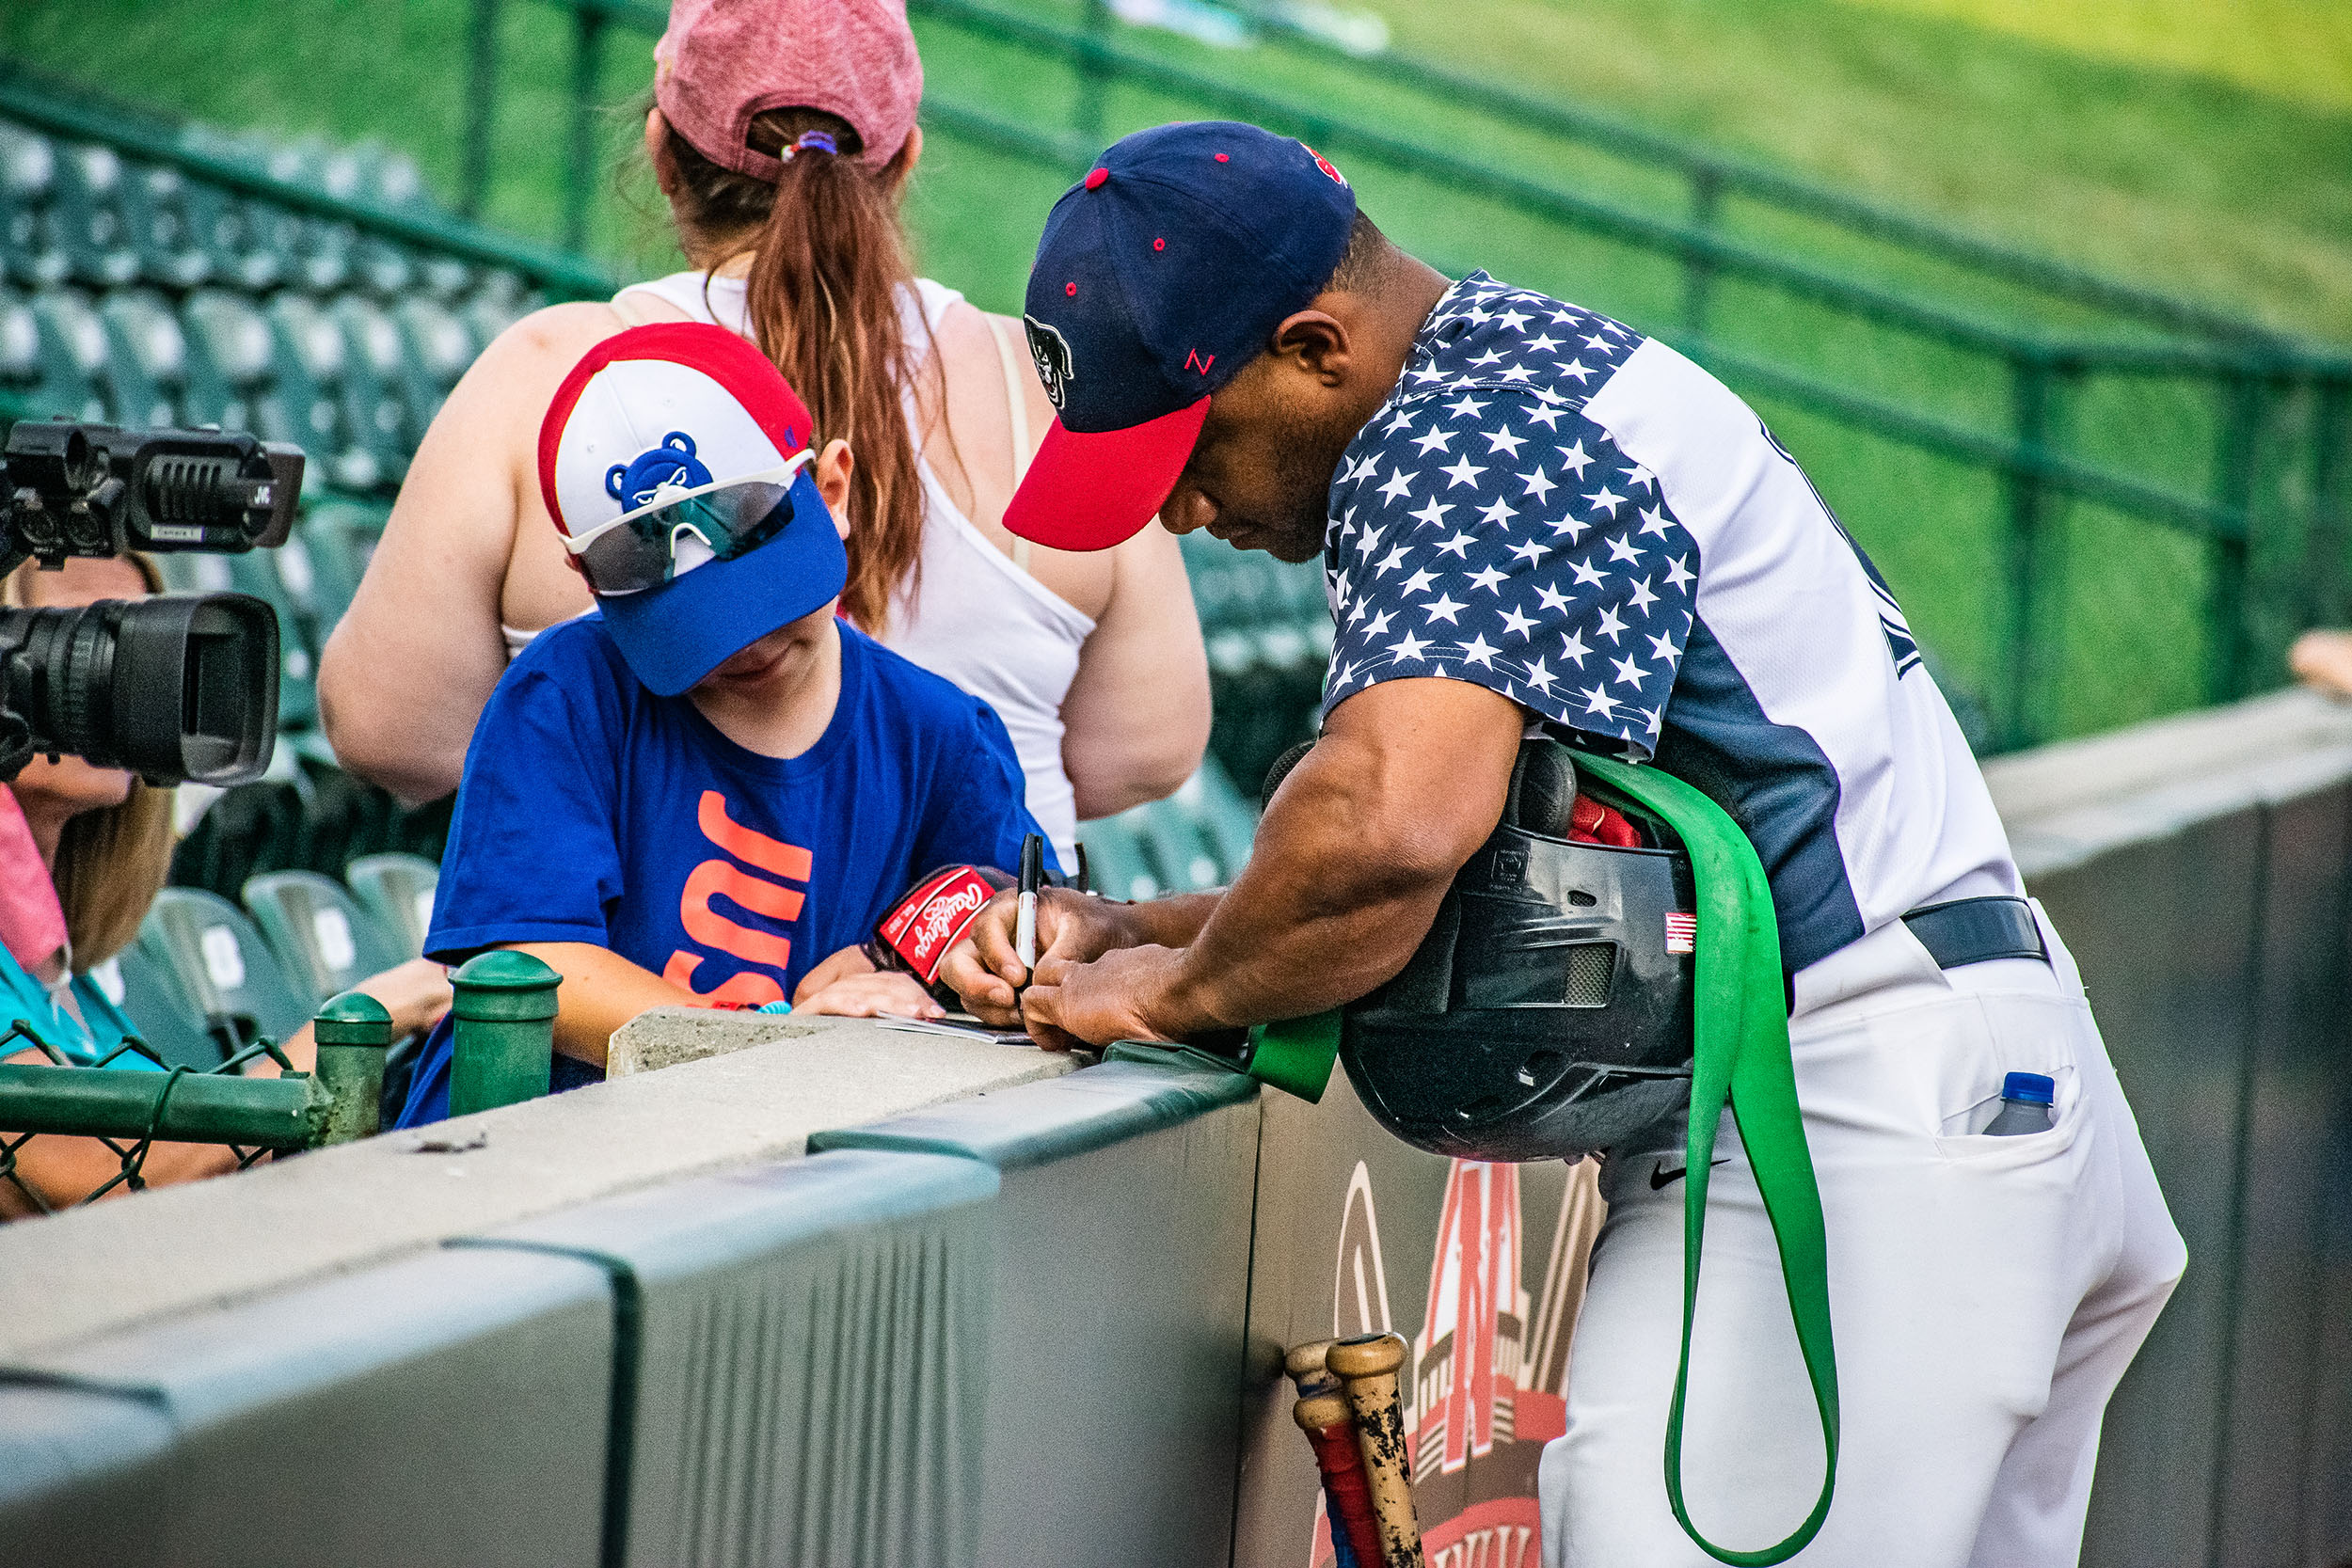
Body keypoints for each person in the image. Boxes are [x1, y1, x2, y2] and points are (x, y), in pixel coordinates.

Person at [942, 121, 2186, 1568]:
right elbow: (1465, 854)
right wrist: (1152, 928)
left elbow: (1390, 825)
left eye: (1194, 442)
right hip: (1961, 1093)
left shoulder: (1470, 435)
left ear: (1316, 348)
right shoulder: (1525, 376)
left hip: (1859, 1129)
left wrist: (1162, 997)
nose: (1176, 506)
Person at [318, 0, 1209, 869]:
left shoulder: (550, 374)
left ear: (663, 155)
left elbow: (392, 733)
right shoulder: (1053, 391)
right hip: (981, 982)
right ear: (902, 165)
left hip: (629, 1002)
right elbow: (1149, 748)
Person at [389, 323, 1051, 1129]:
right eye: (691, 627)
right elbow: (528, 967)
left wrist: (910, 973)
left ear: (833, 491)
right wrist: (777, 1037)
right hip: (528, 1157)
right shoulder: (565, 694)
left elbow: (1020, 943)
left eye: (766, 595)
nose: (744, 641)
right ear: (591, 581)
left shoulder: (940, 737)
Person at [0, 557, 448, 1218]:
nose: (123, 677)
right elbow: (89, 1167)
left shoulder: (64, 981)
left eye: (135, 637)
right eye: (78, 631)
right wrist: (351, 1028)